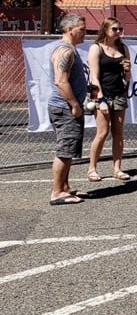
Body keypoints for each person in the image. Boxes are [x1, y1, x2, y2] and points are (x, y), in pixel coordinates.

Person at [48, 13, 88, 205]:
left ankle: (65, 188)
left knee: (69, 149)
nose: (84, 33)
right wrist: (74, 105)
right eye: (81, 29)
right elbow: (61, 81)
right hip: (65, 108)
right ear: (68, 29)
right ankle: (56, 192)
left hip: (67, 107)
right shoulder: (65, 51)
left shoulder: (70, 49)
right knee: (64, 150)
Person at [86, 17, 132, 182]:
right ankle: (92, 168)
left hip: (119, 93)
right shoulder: (96, 48)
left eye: (120, 29)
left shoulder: (123, 48)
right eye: (114, 29)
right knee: (102, 132)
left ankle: (117, 168)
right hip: (102, 93)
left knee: (118, 133)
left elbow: (128, 77)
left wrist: (127, 70)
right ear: (105, 30)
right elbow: (94, 76)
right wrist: (101, 99)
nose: (118, 32)